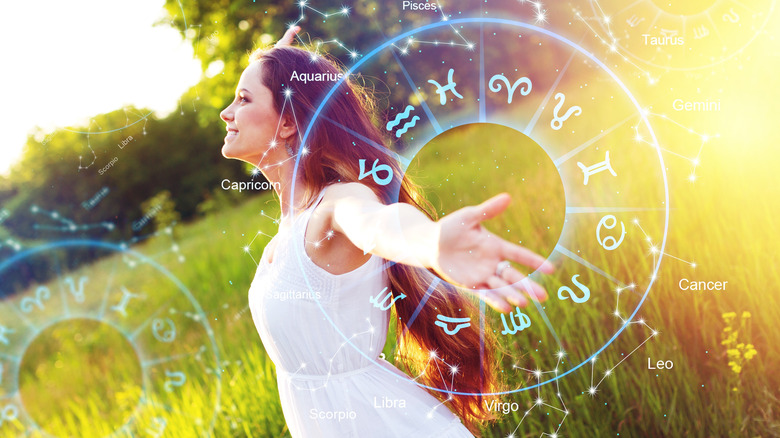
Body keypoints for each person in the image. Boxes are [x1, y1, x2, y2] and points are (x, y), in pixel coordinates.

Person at [219, 26, 554, 437]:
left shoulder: (337, 203)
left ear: (288, 122)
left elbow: (378, 224)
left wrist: (430, 243)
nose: (226, 112)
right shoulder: (290, 227)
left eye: (242, 99)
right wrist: (273, 65)